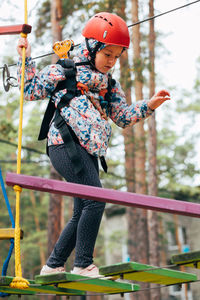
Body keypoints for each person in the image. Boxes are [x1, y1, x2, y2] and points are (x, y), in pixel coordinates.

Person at [17, 12, 171, 277]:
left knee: (83, 209)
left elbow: (122, 117)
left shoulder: (110, 86)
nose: (111, 62)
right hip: (64, 145)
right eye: (107, 54)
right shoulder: (65, 69)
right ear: (91, 48)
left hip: (89, 153)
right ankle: (83, 263)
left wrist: (150, 104)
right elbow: (30, 89)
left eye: (116, 56)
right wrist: (25, 57)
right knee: (96, 201)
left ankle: (53, 266)